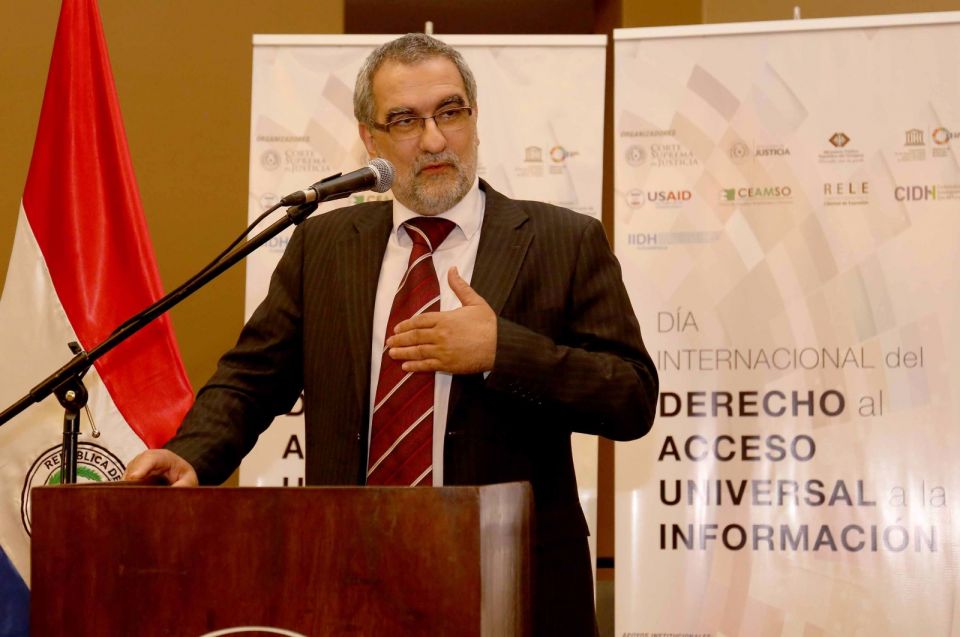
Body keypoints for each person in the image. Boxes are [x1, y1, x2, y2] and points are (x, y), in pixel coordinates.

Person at [125, 33, 658, 636]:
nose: (434, 140)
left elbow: (632, 396)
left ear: (474, 118)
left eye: (450, 112)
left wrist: (501, 350)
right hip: (347, 576)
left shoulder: (563, 240)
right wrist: (191, 455)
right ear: (370, 139)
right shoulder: (325, 244)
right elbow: (251, 380)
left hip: (511, 580)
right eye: (405, 121)